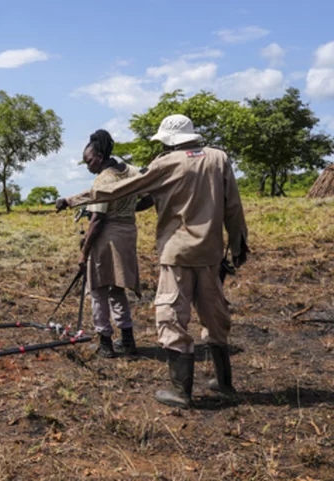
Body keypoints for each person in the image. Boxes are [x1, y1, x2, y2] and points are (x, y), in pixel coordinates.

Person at [57, 115, 249, 408]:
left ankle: (181, 391)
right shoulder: (218, 158)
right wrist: (238, 245)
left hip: (177, 254)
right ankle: (224, 383)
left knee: (171, 317)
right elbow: (233, 206)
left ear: (168, 140)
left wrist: (72, 200)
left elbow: (119, 190)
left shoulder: (166, 163)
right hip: (211, 254)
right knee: (214, 314)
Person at [77, 130, 152, 358]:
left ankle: (105, 343)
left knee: (98, 289)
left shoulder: (103, 180)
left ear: (99, 156)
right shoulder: (130, 171)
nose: (88, 166)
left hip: (106, 238)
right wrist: (130, 210)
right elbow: (151, 196)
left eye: (89, 161)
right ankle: (127, 340)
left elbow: (97, 221)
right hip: (128, 234)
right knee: (117, 288)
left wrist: (83, 254)